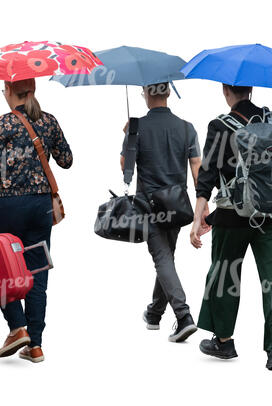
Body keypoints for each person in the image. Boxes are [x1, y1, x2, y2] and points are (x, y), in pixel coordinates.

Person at [190, 84, 272, 371]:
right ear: (252, 89)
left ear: (225, 91)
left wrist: (199, 217)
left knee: (224, 274)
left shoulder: (220, 126)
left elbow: (207, 174)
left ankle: (224, 341)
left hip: (233, 216)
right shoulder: (271, 119)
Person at [0, 78, 73, 363]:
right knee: (37, 273)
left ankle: (18, 328)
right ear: (34, 91)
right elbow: (66, 160)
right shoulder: (49, 122)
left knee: (0, 271)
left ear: (7, 91)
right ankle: (37, 344)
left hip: (7, 208)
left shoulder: (1, 125)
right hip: (40, 208)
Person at [121, 82, 201, 343]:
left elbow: (125, 166)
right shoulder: (187, 128)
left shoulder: (137, 127)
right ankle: (155, 313)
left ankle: (184, 316)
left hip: (149, 206)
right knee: (167, 256)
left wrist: (129, 136)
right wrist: (203, 205)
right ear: (167, 93)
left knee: (163, 259)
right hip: (177, 205)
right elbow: (197, 167)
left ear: (146, 93)